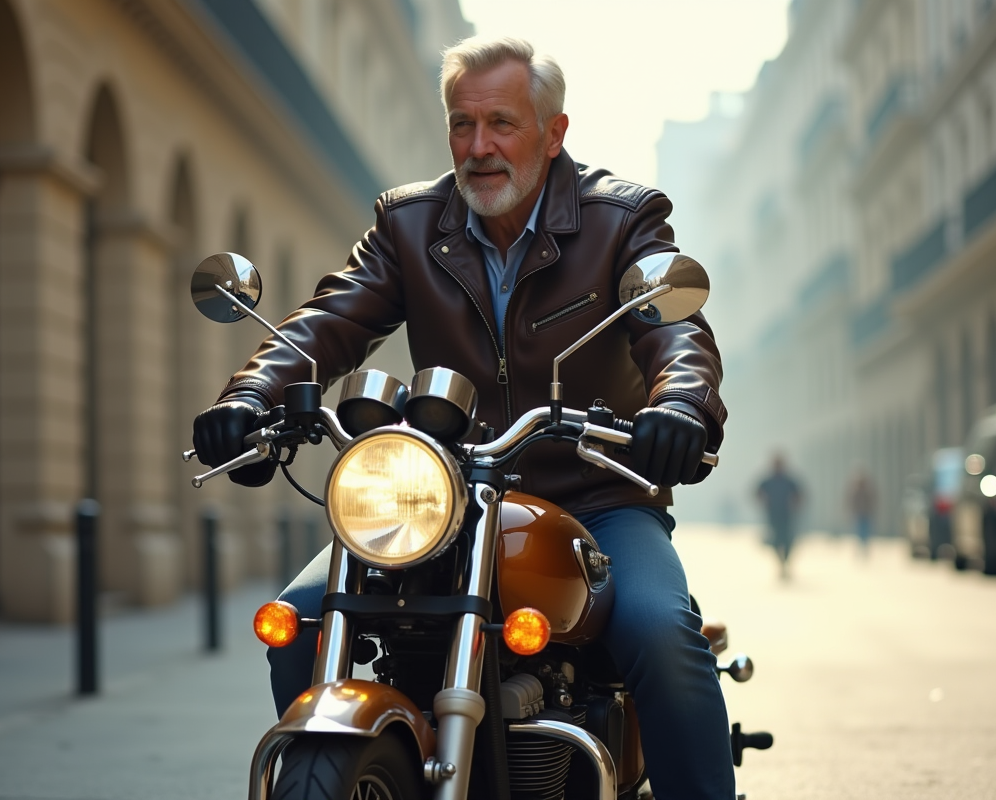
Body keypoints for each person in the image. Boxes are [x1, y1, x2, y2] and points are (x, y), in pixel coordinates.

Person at [192, 36, 734, 799]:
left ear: (553, 133)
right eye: (461, 125)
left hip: (597, 497)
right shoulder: (408, 225)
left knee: (661, 631)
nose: (478, 148)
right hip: (440, 502)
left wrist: (680, 404)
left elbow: (675, 333)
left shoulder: (622, 219)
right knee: (298, 625)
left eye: (502, 124)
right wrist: (250, 398)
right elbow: (328, 322)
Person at [755, 453, 803, 579]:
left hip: (787, 516)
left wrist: (795, 504)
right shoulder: (768, 481)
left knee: (788, 540)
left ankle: (785, 561)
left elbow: (799, 494)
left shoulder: (789, 481)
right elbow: (757, 492)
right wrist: (764, 502)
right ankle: (781, 563)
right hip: (773, 516)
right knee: (775, 541)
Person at [846, 468, 876, 556]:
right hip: (858, 515)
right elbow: (850, 502)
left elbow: (872, 501)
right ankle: (860, 550)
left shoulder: (867, 491)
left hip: (866, 514)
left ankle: (865, 550)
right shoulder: (855, 491)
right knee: (859, 533)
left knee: (866, 533)